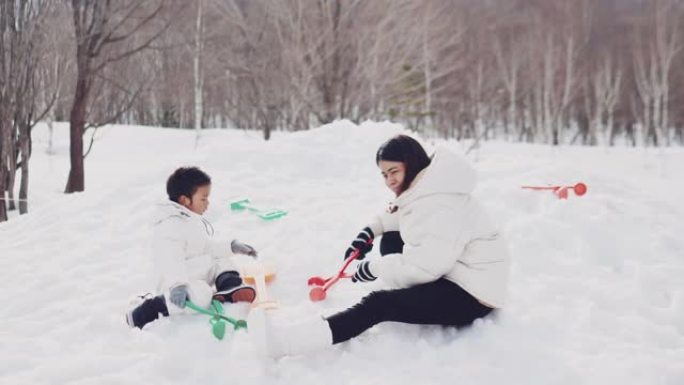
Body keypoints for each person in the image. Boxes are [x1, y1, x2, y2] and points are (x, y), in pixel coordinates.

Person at [256, 134, 510, 356]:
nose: (389, 180)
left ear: (410, 165)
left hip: (472, 294)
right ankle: (408, 292)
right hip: (454, 269)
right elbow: (399, 212)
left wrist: (374, 268)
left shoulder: (440, 206)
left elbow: (424, 267)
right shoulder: (427, 184)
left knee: (378, 304)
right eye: (384, 174)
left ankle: (284, 344)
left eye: (394, 172)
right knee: (391, 238)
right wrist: (369, 231)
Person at [126, 166, 259, 329]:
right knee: (201, 295)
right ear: (184, 200)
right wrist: (177, 284)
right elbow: (170, 258)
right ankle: (146, 311)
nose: (207, 203)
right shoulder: (170, 225)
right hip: (178, 280)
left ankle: (228, 286)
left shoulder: (189, 219)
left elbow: (206, 247)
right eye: (203, 199)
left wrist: (232, 247)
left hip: (197, 269)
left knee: (222, 260)